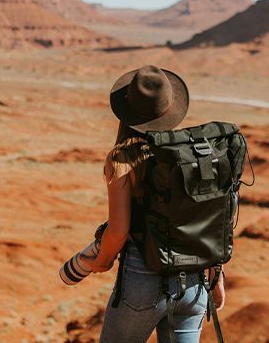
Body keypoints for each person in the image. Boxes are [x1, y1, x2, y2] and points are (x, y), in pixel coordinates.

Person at [91, 65, 225, 343]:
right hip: (195, 285)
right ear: (171, 110)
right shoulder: (192, 158)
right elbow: (208, 222)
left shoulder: (122, 160)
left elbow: (118, 231)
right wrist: (216, 276)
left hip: (143, 282)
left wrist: (100, 261)